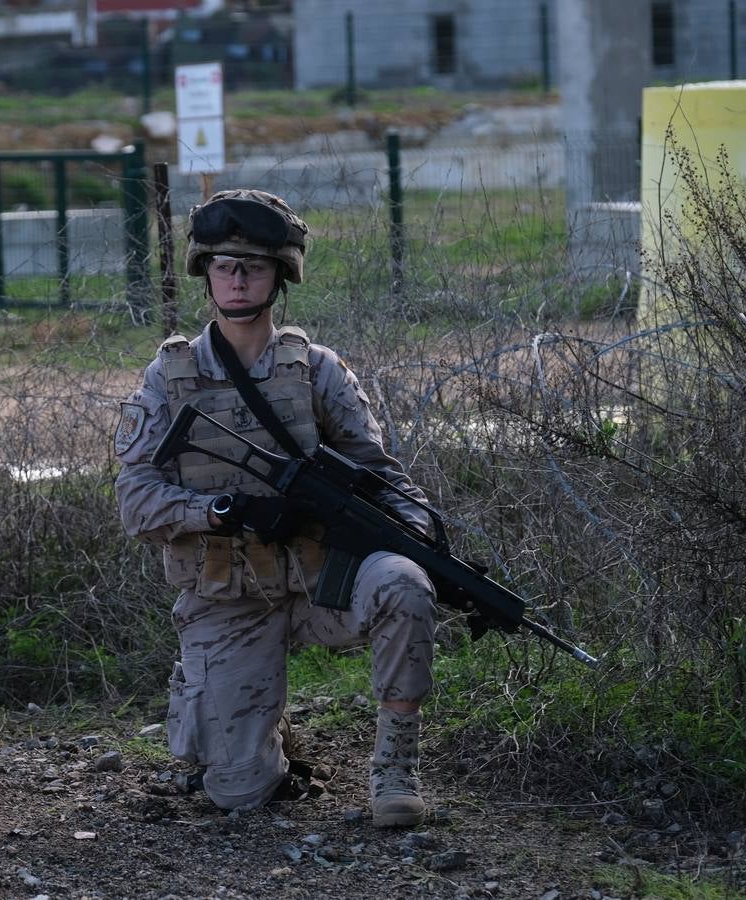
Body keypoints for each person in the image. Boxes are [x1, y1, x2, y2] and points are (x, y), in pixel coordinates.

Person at [113, 189, 438, 825]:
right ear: (205, 272)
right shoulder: (170, 378)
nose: (237, 278)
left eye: (253, 265)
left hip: (324, 582)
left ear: (279, 277)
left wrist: (421, 529)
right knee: (238, 792)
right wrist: (219, 511)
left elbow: (380, 473)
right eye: (224, 264)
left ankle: (395, 768)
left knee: (405, 585)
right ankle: (265, 731)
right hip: (226, 596)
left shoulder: (318, 370)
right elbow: (135, 498)